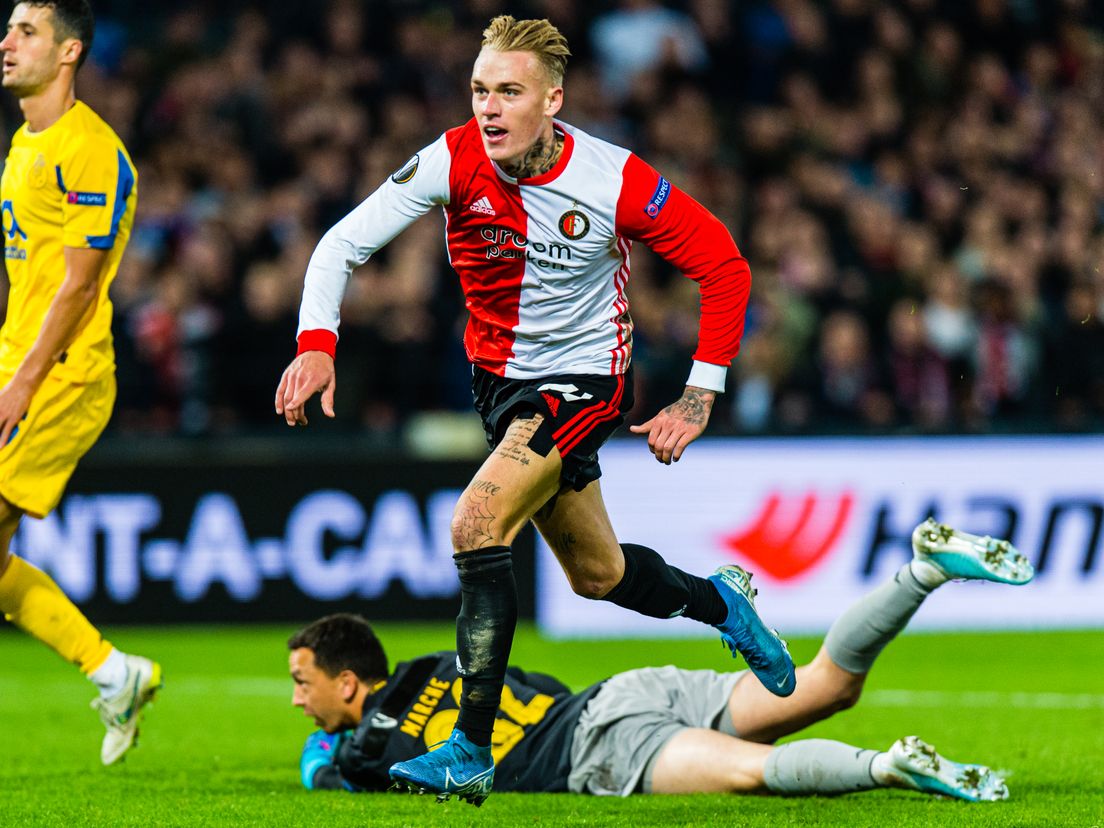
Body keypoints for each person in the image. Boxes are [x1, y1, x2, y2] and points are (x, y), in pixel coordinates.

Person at [275, 15, 792, 803]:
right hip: (499, 387)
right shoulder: (452, 159)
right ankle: (724, 601)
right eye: (479, 89)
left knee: (477, 523)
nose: (488, 108)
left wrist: (699, 392)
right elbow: (340, 246)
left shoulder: (613, 178)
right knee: (599, 575)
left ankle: (470, 750)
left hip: (586, 379)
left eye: (508, 92)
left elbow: (722, 265)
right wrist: (318, 343)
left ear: (553, 99)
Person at [288, 519, 1033, 804]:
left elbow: (324, 768)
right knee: (825, 685)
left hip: (600, 748)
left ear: (346, 682)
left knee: (749, 772)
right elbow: (539, 684)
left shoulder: (371, 750)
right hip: (623, 693)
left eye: (303, 683)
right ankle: (925, 572)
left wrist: (323, 755)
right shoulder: (444, 661)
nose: (298, 700)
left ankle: (890, 766)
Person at [0, 0, 160, 765]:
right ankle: (113, 670)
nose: (6, 43)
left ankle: (113, 670)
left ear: (68, 52)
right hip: (17, 364)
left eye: (25, 32)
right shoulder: (25, 145)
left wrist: (23, 383)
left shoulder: (90, 150)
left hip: (61, 375)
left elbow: (77, 286)